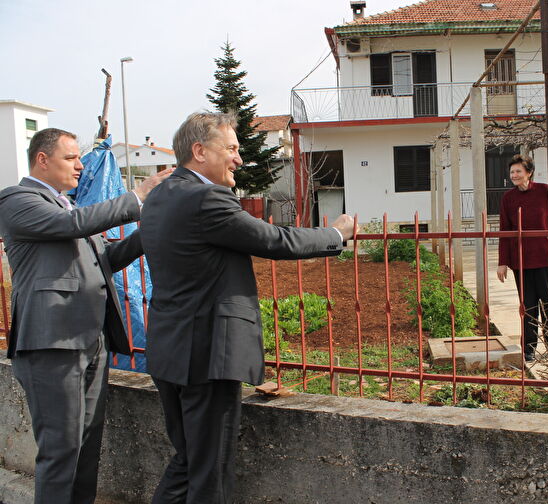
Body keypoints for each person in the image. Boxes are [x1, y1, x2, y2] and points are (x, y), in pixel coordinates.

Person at [140, 112, 356, 503]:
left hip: (169, 352)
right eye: (233, 149)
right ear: (200, 151)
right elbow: (275, 241)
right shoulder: (205, 197)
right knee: (210, 475)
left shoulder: (159, 196)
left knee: (188, 462)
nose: (240, 159)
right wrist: (335, 234)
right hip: (206, 357)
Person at [0, 128, 171, 503]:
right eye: (70, 158)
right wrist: (138, 196)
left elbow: (105, 259)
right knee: (61, 453)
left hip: (90, 341)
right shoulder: (18, 201)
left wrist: (152, 224)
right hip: (52, 344)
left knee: (86, 450)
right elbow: (72, 226)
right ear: (42, 160)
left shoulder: (66, 205)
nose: (80, 166)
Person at [497, 154, 548, 362]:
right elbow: (505, 230)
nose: (514, 175)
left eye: (518, 171)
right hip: (520, 260)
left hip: (545, 257)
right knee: (528, 306)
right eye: (512, 172)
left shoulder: (545, 191)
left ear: (529, 173)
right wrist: (502, 262)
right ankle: (528, 349)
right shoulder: (508, 198)